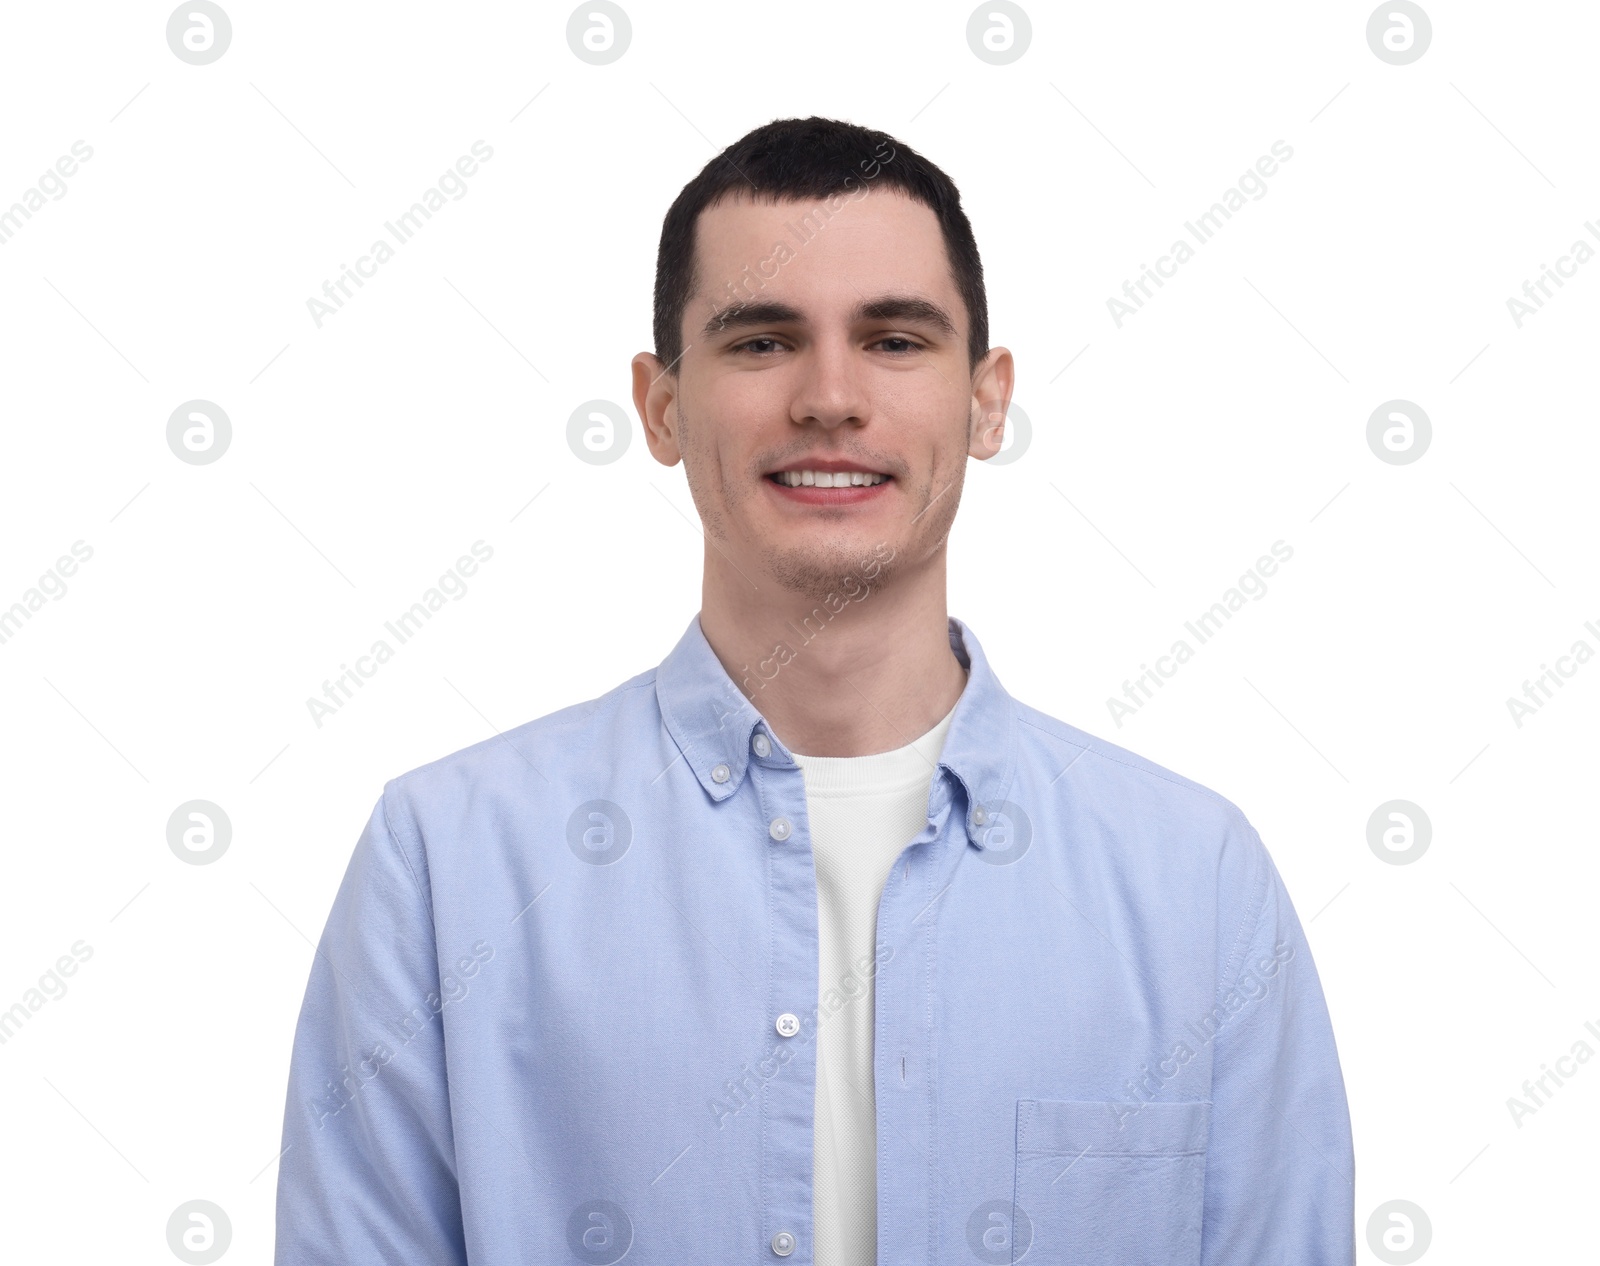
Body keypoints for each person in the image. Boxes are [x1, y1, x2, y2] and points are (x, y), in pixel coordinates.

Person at [273, 115, 1354, 1266]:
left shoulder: (1196, 881)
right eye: (759, 343)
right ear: (660, 406)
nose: (830, 397)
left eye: (894, 340)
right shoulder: (447, 863)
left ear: (986, 402)